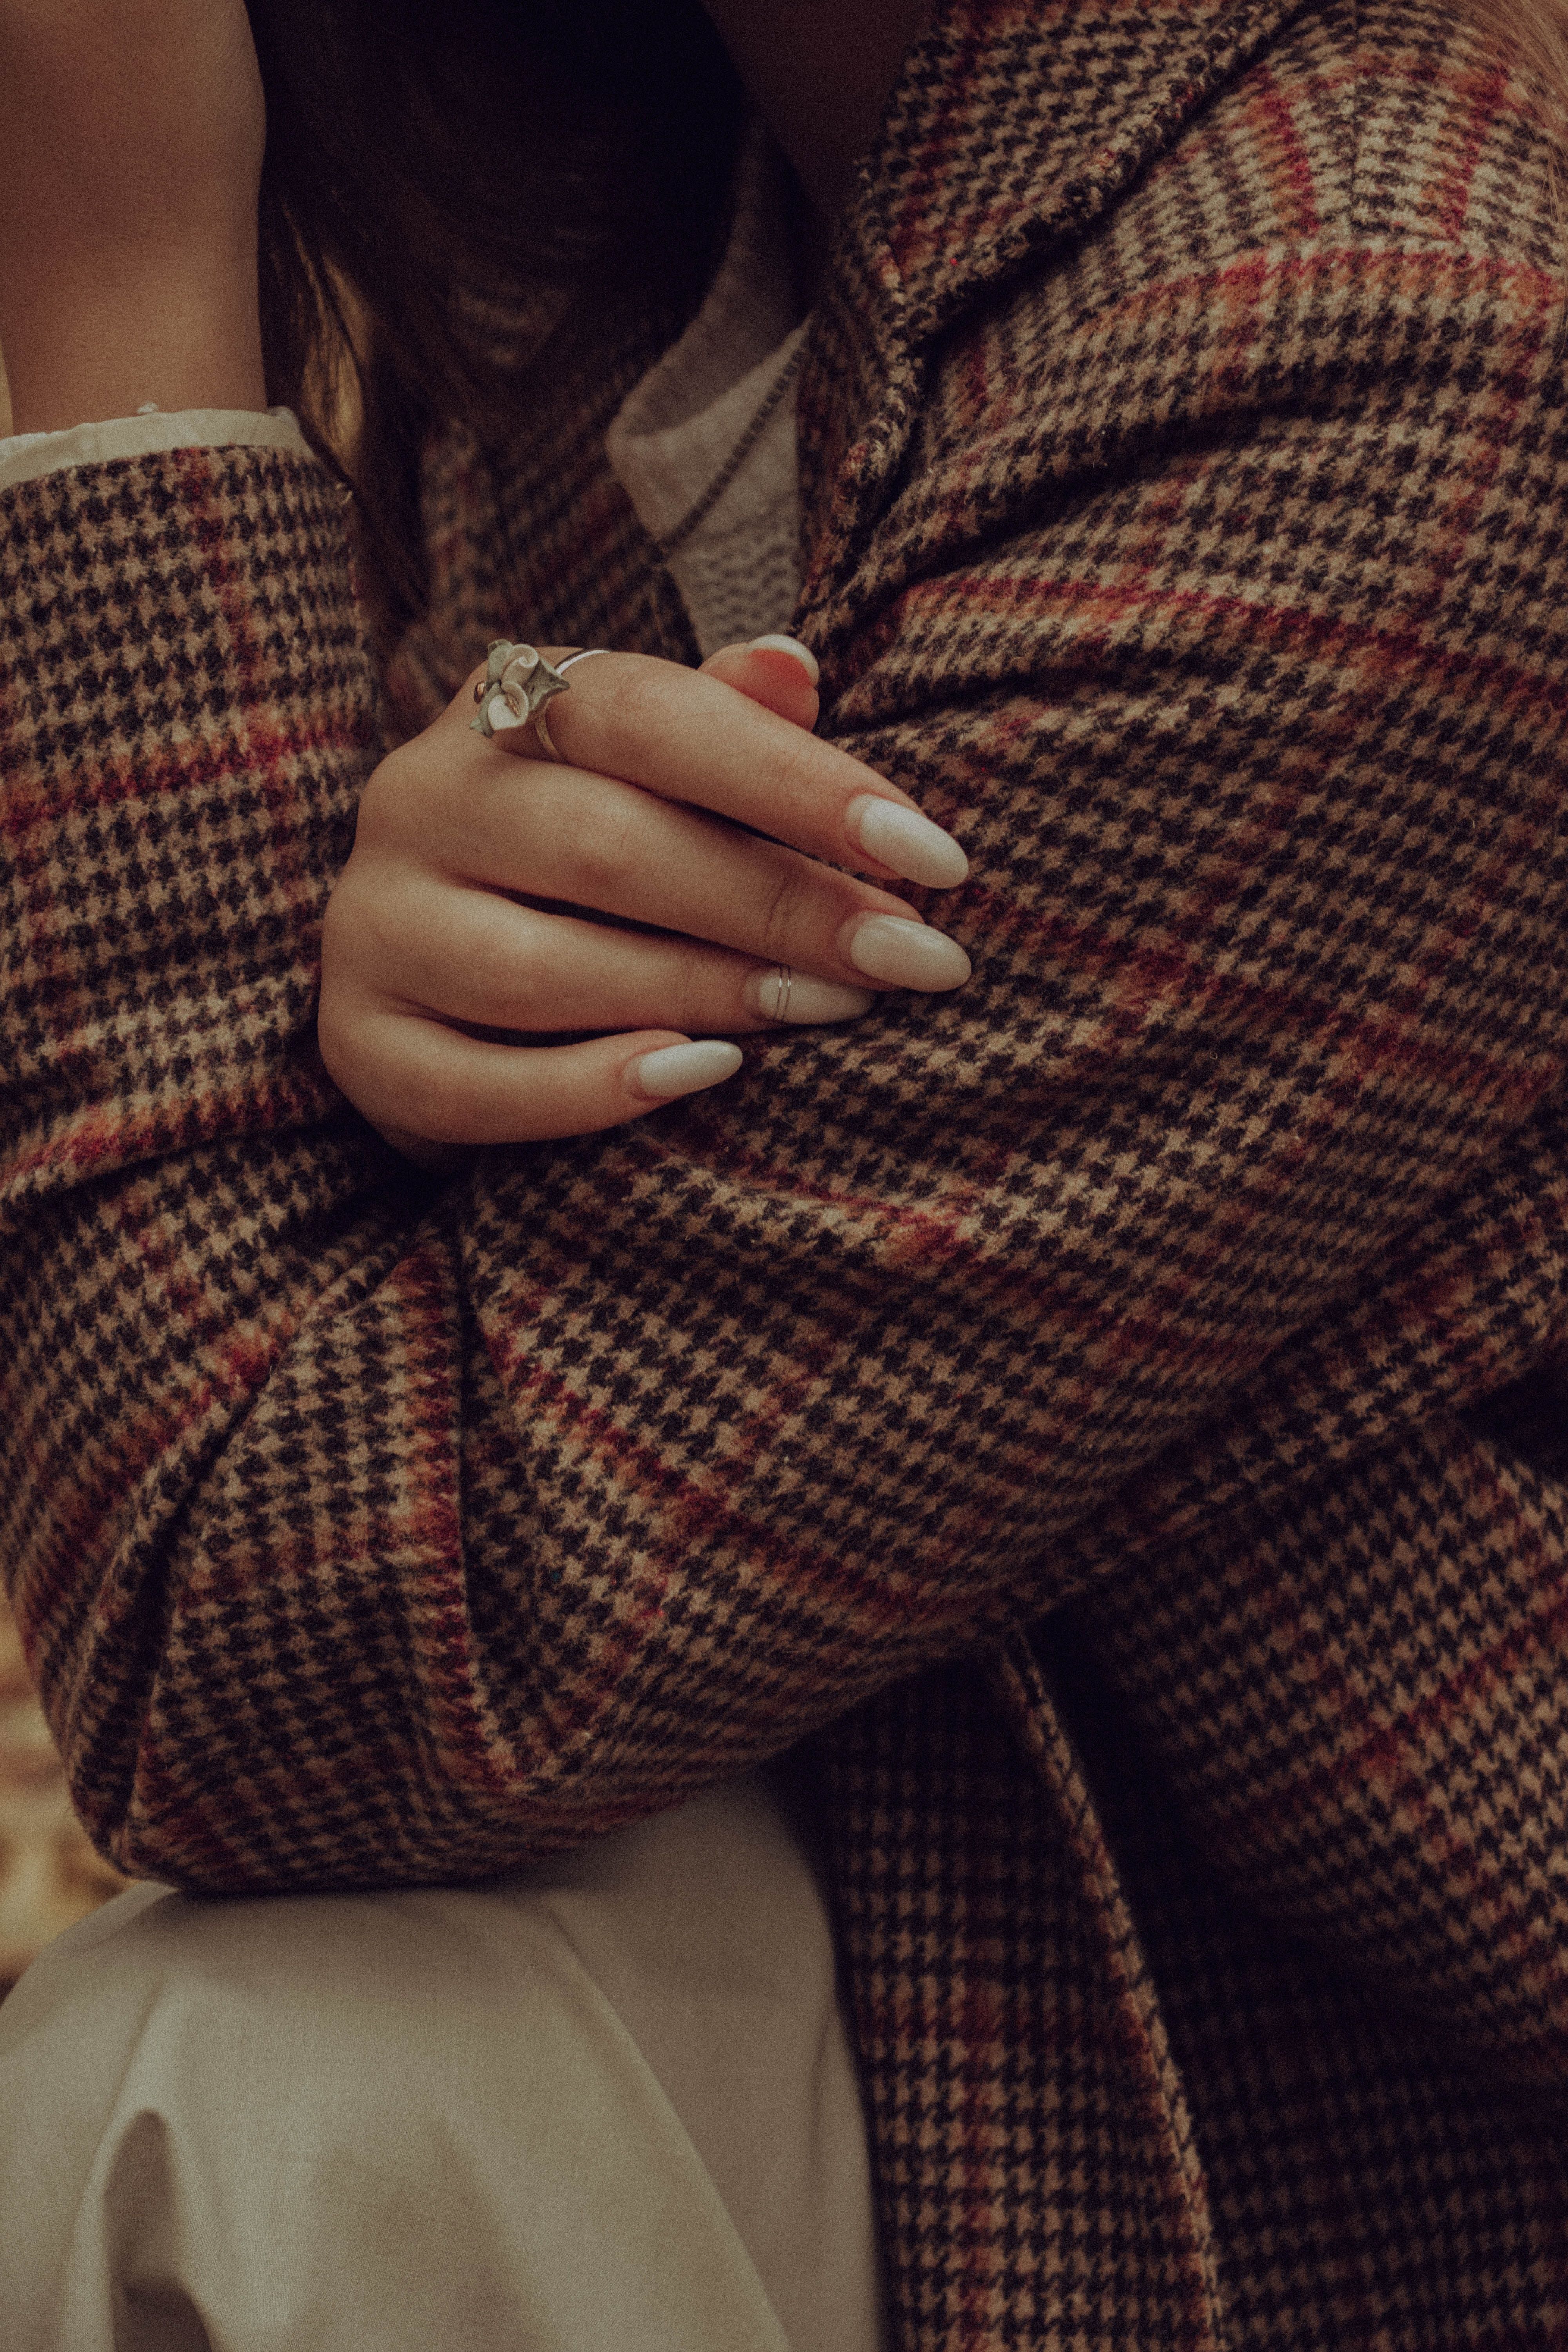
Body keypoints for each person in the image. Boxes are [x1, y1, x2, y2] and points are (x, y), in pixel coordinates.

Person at [2, 0, 1568, 2346]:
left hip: (1312, 2161)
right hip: (917, 1911)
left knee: (238, 2101)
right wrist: (410, 990)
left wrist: (106, 311)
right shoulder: (646, 148)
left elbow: (240, 1626)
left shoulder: (1372, 335)